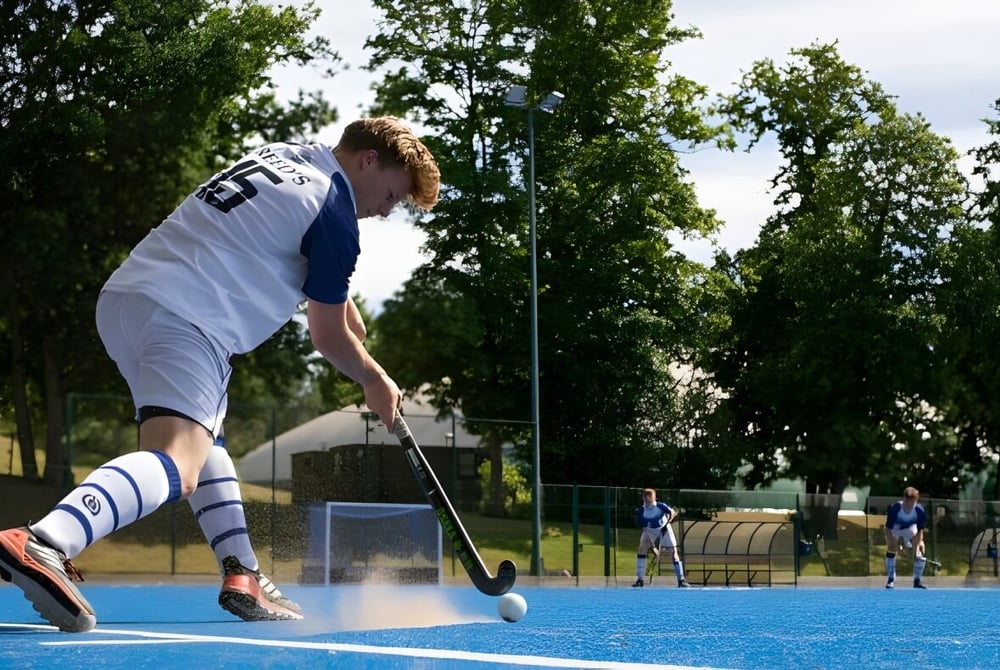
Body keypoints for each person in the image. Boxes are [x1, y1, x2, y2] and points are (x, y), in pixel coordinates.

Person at [0, 117, 441, 632]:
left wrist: (341, 305)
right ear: (369, 161)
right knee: (176, 464)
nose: (387, 211)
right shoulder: (337, 212)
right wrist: (374, 378)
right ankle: (47, 540)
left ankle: (244, 573)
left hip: (129, 300)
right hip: (191, 318)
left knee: (205, 440)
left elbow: (261, 244)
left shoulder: (287, 157)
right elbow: (328, 339)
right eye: (391, 195)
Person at [632, 488, 689, 588]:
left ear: (654, 497)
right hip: (649, 531)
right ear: (643, 498)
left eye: (650, 496)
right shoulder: (641, 512)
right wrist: (653, 547)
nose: (647, 498)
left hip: (665, 529)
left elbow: (673, 513)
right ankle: (640, 579)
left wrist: (667, 523)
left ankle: (681, 580)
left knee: (673, 552)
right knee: (641, 549)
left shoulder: (660, 506)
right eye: (645, 496)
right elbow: (644, 529)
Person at [884, 486, 928, 589]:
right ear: (903, 498)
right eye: (907, 501)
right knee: (891, 549)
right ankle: (891, 579)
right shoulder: (895, 508)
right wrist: (895, 546)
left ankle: (917, 581)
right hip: (894, 530)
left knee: (919, 551)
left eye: (912, 502)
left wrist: (920, 542)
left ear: (916, 500)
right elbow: (888, 528)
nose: (908, 505)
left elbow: (920, 528)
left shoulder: (919, 510)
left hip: (910, 529)